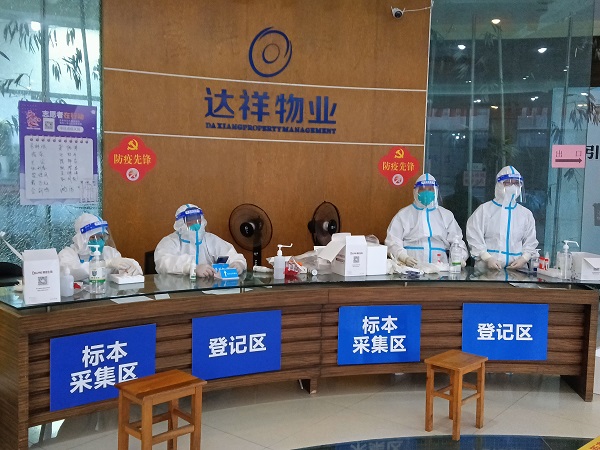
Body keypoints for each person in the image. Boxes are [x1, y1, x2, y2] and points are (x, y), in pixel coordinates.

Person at [385, 173, 469, 267]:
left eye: (430, 189)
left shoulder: (446, 215)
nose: (427, 192)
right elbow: (392, 240)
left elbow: (456, 240)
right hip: (411, 265)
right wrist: (404, 257)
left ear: (436, 191)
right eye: (423, 189)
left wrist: (460, 257)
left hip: (440, 265)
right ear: (416, 191)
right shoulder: (404, 214)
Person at [466, 166, 538, 271]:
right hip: (487, 271)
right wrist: (487, 258)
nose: (513, 187)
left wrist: (524, 258)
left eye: (516, 183)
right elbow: (474, 236)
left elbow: (530, 240)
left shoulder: (525, 214)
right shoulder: (484, 210)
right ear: (499, 185)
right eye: (508, 183)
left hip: (517, 271)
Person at [154, 204, 247, 277]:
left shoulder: (210, 239)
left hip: (208, 289)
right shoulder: (170, 241)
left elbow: (230, 253)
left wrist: (238, 263)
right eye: (190, 220)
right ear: (181, 223)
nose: (195, 224)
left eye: (198, 219)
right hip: (177, 290)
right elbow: (163, 263)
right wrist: (192, 267)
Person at [58, 213, 143, 281]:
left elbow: (122, 275)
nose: (100, 241)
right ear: (81, 239)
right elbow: (71, 272)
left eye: (102, 236)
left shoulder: (110, 253)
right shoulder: (66, 254)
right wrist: (106, 263)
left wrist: (130, 267)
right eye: (94, 237)